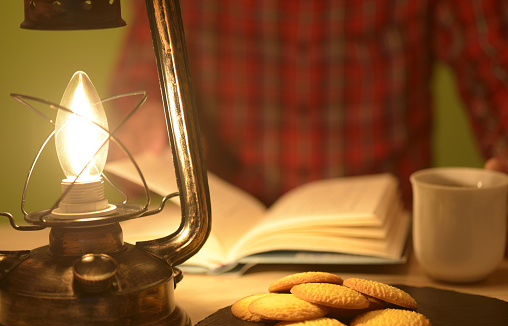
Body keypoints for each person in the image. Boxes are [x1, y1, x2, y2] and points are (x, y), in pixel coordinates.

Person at [111, 0, 508, 209]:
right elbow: (146, 68)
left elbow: (493, 63)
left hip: (387, 233)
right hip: (225, 234)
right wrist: (143, 121)